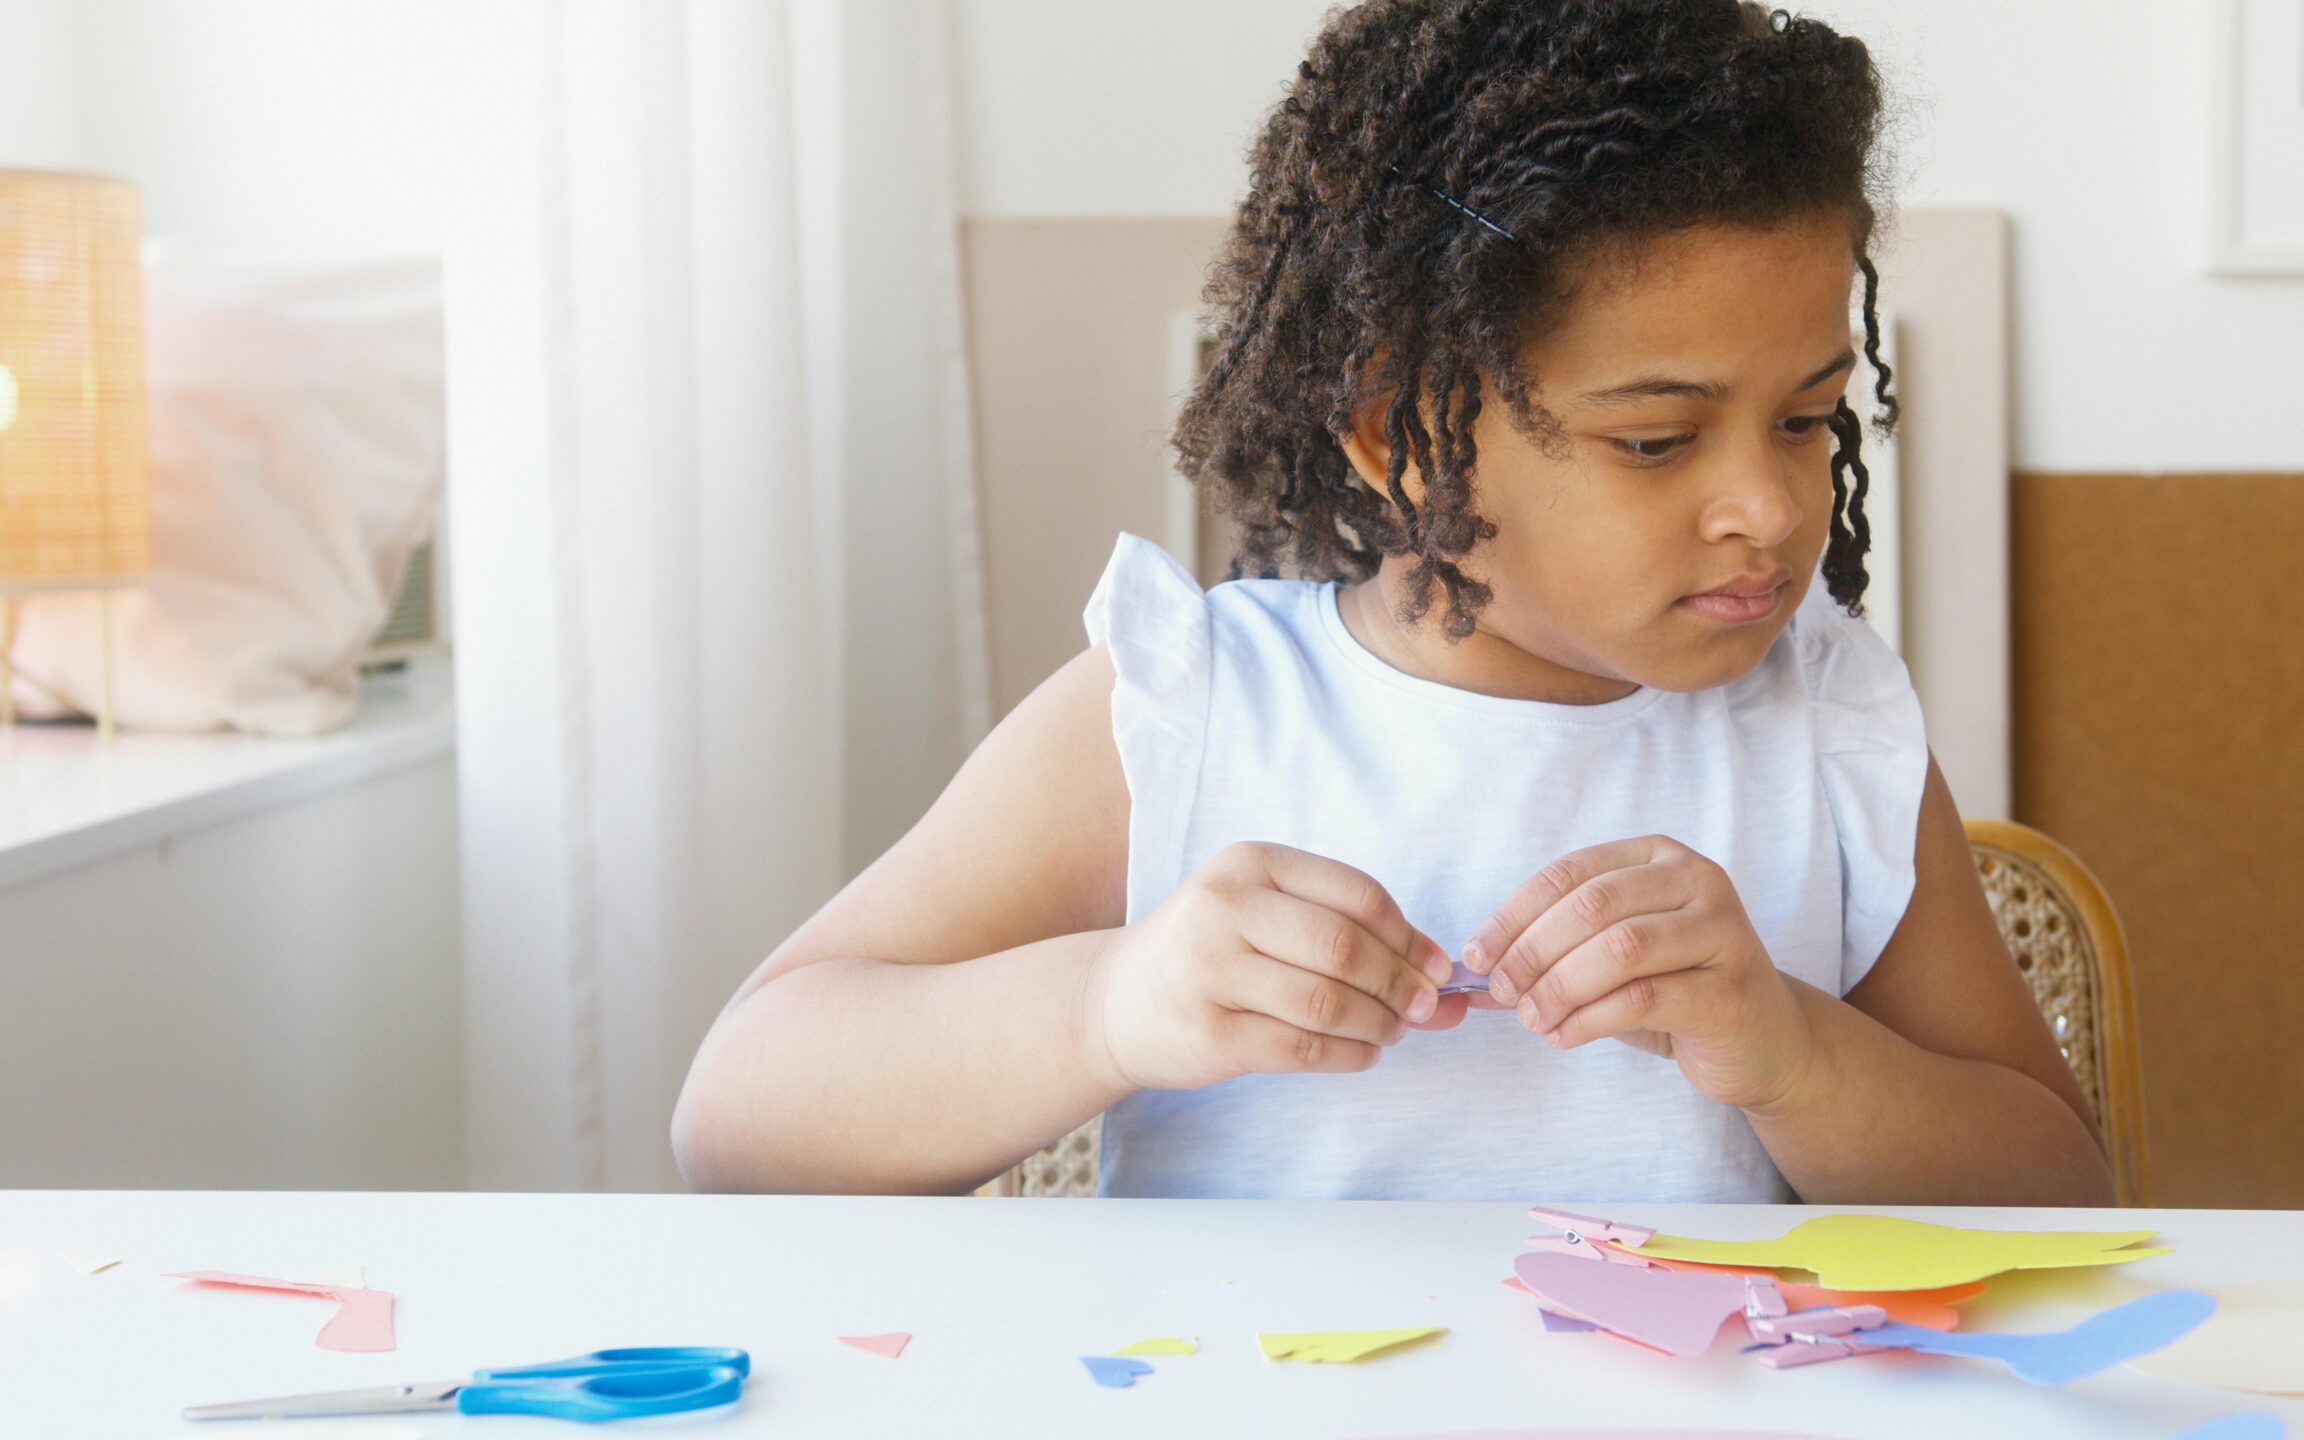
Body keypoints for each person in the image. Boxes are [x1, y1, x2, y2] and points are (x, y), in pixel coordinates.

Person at [673, 0, 2113, 1206]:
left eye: (1808, 418)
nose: (1773, 506)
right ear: (1396, 426)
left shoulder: (1828, 729)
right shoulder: (1189, 715)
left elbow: (2062, 1189)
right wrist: (1110, 1005)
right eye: (1658, 441)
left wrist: (1799, 1056)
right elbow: (741, 1119)